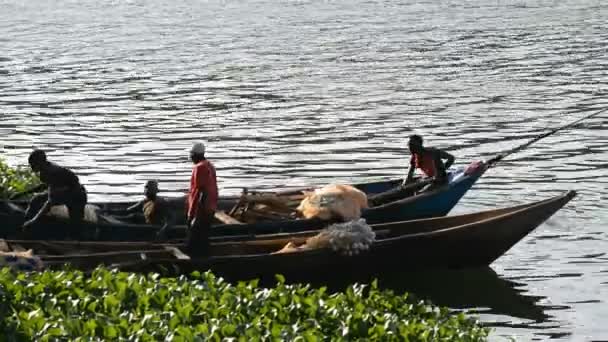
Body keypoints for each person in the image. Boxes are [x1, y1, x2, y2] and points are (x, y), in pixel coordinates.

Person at [22, 150, 88, 236]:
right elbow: (45, 186)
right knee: (36, 199)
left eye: (33, 164)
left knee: (75, 225)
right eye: (30, 164)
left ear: (41, 162)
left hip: (76, 196)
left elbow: (50, 202)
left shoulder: (52, 172)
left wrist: (33, 221)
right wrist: (22, 193)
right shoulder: (45, 170)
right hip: (64, 191)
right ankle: (25, 222)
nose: (31, 167)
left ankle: (77, 240)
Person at [186, 142, 218, 257]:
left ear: (196, 155)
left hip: (201, 211)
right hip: (210, 208)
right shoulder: (210, 165)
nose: (191, 158)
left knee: (193, 240)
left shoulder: (199, 167)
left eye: (192, 156)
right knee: (203, 239)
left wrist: (195, 216)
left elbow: (202, 193)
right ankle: (205, 259)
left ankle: (194, 262)